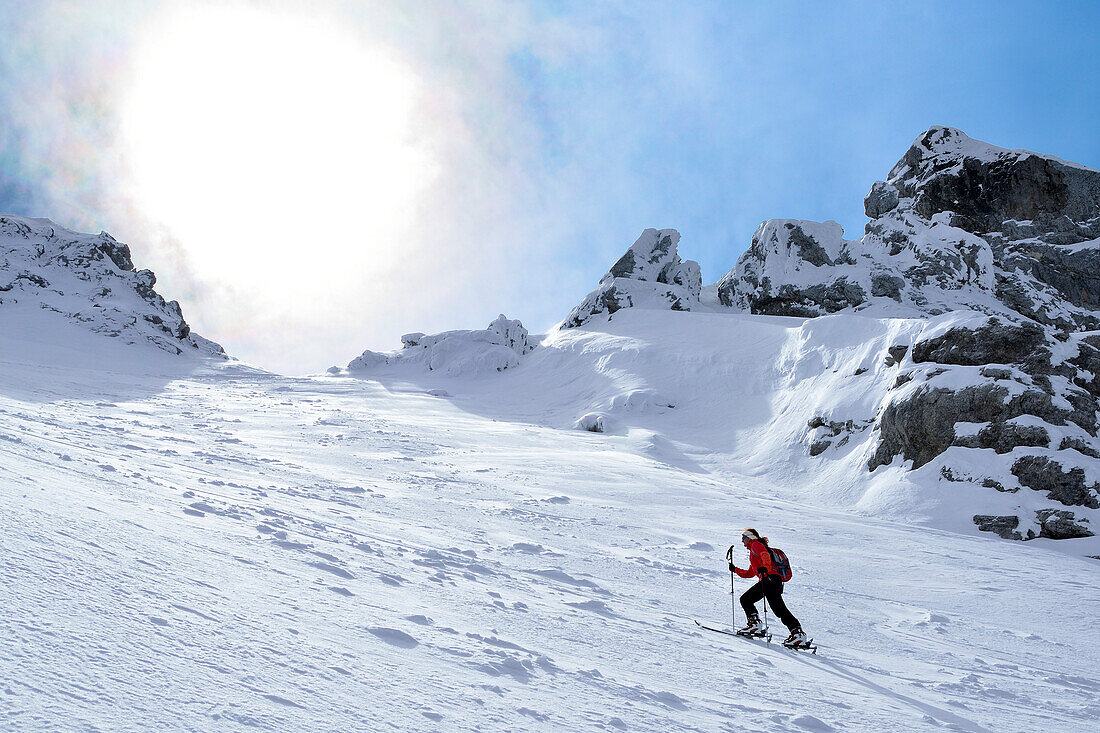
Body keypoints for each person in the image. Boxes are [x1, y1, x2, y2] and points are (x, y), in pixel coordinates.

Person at [728, 527, 807, 645]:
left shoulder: (756, 545)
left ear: (750, 537)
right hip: (775, 581)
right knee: (779, 609)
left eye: (743, 538)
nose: (742, 541)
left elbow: (765, 555)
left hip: (769, 579)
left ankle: (754, 625)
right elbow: (750, 573)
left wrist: (766, 568)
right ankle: (797, 633)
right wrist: (735, 570)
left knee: (746, 599)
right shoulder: (755, 551)